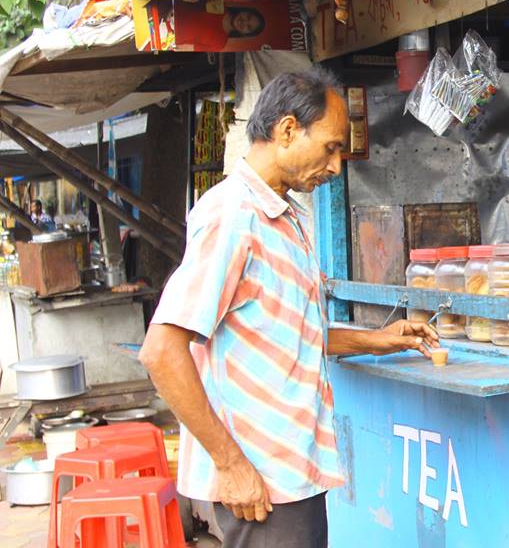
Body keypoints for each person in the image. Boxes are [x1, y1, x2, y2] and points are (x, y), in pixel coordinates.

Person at [139, 67, 440, 547]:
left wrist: (376, 340)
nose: (338, 165)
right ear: (286, 131)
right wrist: (231, 464)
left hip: (288, 471)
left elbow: (281, 330)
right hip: (260, 477)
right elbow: (162, 350)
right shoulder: (233, 215)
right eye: (331, 147)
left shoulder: (282, 215)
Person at [173, 0, 267, 52]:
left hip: (165, 36)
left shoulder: (219, 44)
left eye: (249, 27)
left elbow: (186, 48)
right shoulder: (220, 5)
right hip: (166, 8)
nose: (244, 22)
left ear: (246, 34)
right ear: (244, 10)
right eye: (248, 17)